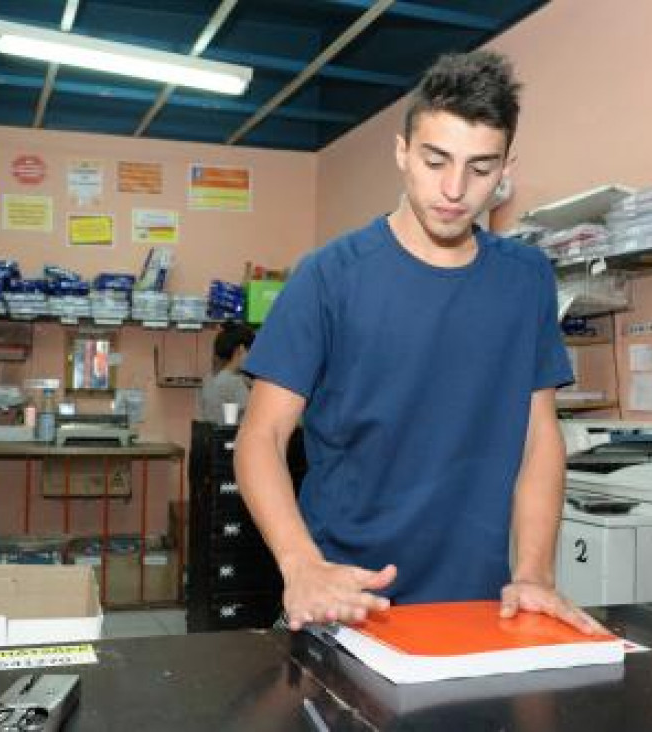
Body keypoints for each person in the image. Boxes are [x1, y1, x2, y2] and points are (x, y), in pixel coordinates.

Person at [234, 50, 602, 635]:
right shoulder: (328, 276)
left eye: (481, 169)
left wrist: (534, 573)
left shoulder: (526, 278)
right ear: (403, 151)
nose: (455, 190)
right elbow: (260, 438)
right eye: (436, 161)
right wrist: (300, 564)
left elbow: (540, 439)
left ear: (506, 167)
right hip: (346, 600)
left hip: (477, 607)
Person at [198, 321, 255, 424]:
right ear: (241, 349)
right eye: (252, 351)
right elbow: (255, 417)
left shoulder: (209, 378)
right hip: (231, 438)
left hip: (211, 437)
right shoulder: (235, 383)